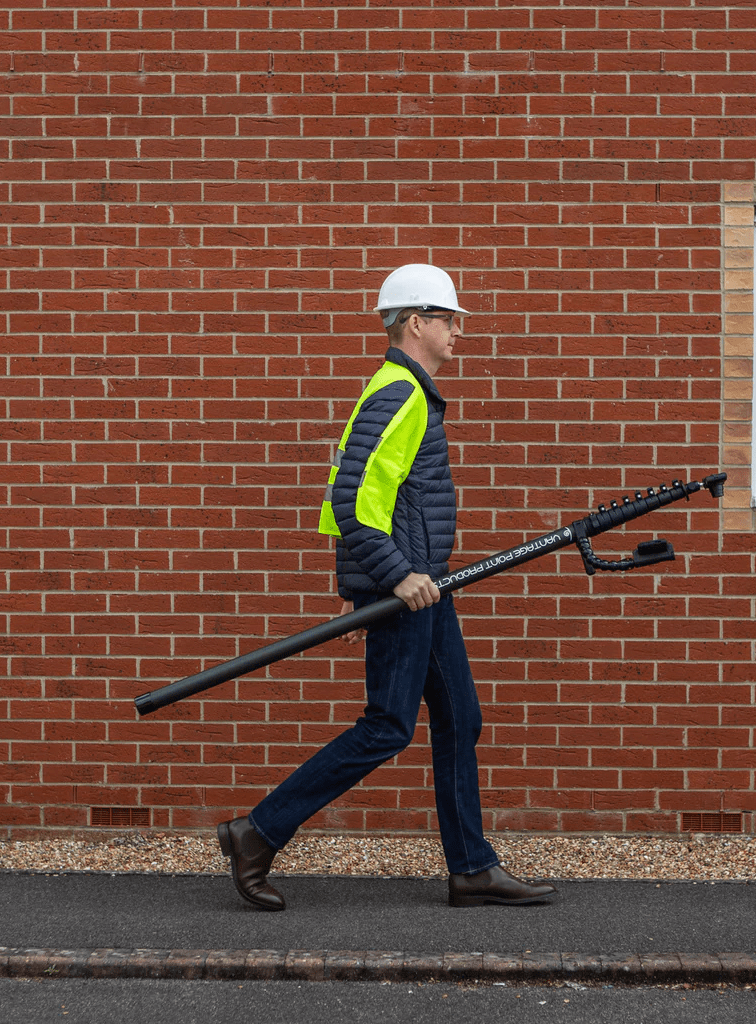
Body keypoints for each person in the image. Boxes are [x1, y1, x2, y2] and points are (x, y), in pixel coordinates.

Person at [217, 264, 557, 911]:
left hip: (427, 585)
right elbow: (351, 501)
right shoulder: (398, 392)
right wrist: (393, 575)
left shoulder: (406, 391)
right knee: (387, 726)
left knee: (460, 718)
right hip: (408, 587)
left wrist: (389, 574)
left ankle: (472, 869)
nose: (459, 331)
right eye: (449, 319)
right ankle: (256, 833)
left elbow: (362, 499)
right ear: (415, 322)